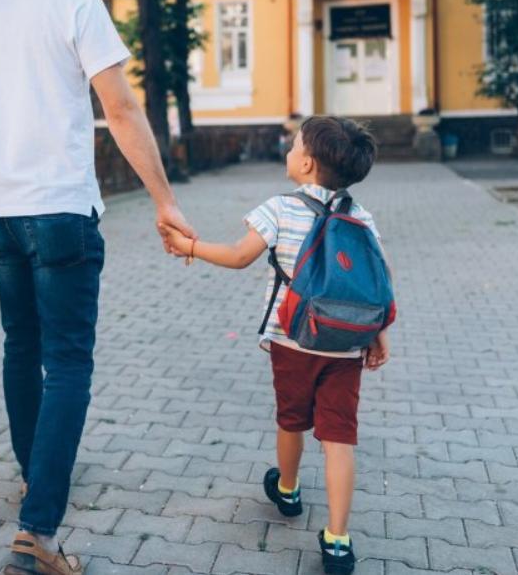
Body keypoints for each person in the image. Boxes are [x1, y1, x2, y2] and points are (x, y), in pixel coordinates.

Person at [0, 0, 195, 573]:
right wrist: (165, 202)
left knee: (22, 343)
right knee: (68, 360)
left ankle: (34, 476)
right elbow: (122, 110)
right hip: (62, 212)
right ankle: (37, 531)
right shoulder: (75, 7)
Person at [160, 116, 390, 575]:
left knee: (291, 420)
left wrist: (190, 247)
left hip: (292, 340)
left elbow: (239, 256)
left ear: (305, 163)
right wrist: (378, 331)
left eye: (292, 145)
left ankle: (286, 489)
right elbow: (377, 279)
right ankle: (339, 540)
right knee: (339, 439)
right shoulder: (359, 215)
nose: (288, 151)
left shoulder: (280, 209)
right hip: (346, 346)